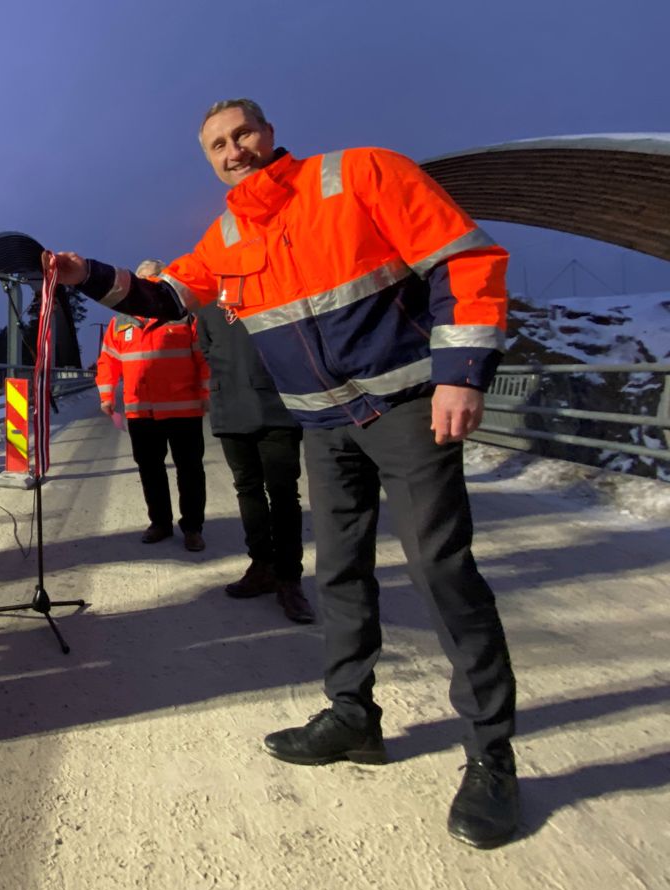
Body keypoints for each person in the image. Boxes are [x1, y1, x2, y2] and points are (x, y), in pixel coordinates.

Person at [45, 98, 519, 849]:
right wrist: (84, 274)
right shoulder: (229, 234)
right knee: (338, 570)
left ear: (268, 133)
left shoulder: (360, 173)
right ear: (209, 159)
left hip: (403, 405)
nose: (234, 150)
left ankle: (492, 755)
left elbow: (464, 258)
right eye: (217, 146)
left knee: (440, 569)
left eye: (243, 134)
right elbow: (167, 296)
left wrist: (462, 372)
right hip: (324, 424)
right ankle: (352, 715)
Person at [195, 301, 314, 623]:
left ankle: (289, 578)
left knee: (283, 493)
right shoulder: (206, 308)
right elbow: (206, 349)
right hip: (230, 408)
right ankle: (261, 565)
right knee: (247, 489)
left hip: (276, 406)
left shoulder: (273, 291)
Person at [96, 259, 210, 552]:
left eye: (156, 281)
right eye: (144, 281)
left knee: (190, 470)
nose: (150, 286)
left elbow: (204, 359)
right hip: (141, 411)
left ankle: (193, 527)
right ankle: (160, 523)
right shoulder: (121, 322)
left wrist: (207, 394)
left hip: (183, 409)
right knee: (150, 469)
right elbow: (108, 360)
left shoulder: (184, 318)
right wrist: (107, 395)